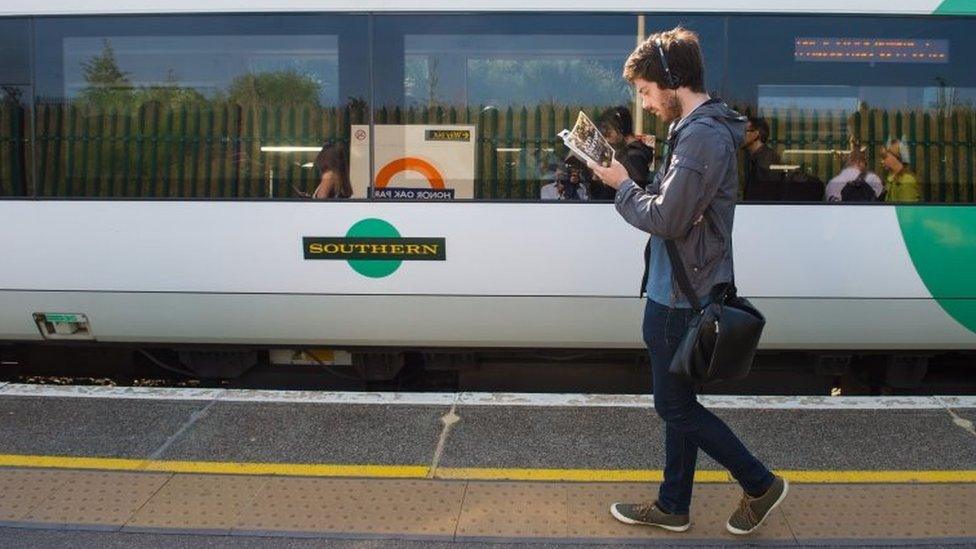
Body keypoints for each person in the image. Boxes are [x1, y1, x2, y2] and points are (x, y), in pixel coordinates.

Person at [587, 26, 788, 536]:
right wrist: (653, 178)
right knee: (682, 405)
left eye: (648, 92)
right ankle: (673, 505)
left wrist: (622, 185)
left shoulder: (699, 136)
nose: (647, 103)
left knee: (672, 405)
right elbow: (678, 207)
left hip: (681, 294)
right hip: (680, 285)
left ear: (672, 81)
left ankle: (759, 483)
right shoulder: (695, 130)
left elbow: (668, 219)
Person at [597, 106, 655, 196]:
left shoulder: (633, 156)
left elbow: (635, 194)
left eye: (608, 132)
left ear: (621, 128)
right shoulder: (629, 152)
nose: (606, 139)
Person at [741, 117, 781, 200]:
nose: (740, 134)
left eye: (744, 131)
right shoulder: (754, 157)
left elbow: (766, 192)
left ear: (756, 134)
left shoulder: (767, 159)